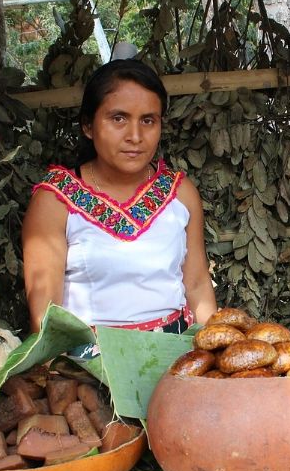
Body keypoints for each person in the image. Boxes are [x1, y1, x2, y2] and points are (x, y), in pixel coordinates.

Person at [22, 59, 217, 335]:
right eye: (119, 119)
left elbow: (197, 285)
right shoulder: (55, 200)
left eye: (148, 120)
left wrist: (213, 361)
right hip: (88, 362)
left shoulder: (180, 193)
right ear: (88, 126)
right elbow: (46, 317)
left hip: (174, 355)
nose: (135, 136)